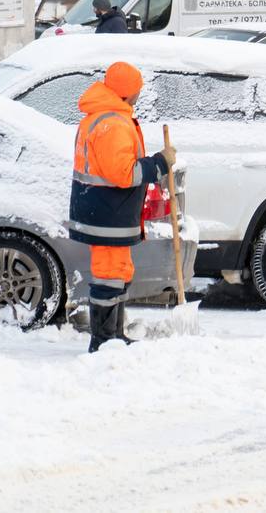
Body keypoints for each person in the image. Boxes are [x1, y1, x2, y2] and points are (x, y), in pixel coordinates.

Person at [69, 62, 175, 352]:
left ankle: (113, 336)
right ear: (128, 92)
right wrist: (160, 163)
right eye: (138, 89)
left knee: (118, 273)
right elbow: (123, 174)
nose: (140, 94)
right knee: (109, 277)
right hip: (107, 214)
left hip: (106, 211)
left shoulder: (105, 117)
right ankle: (103, 341)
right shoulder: (112, 124)